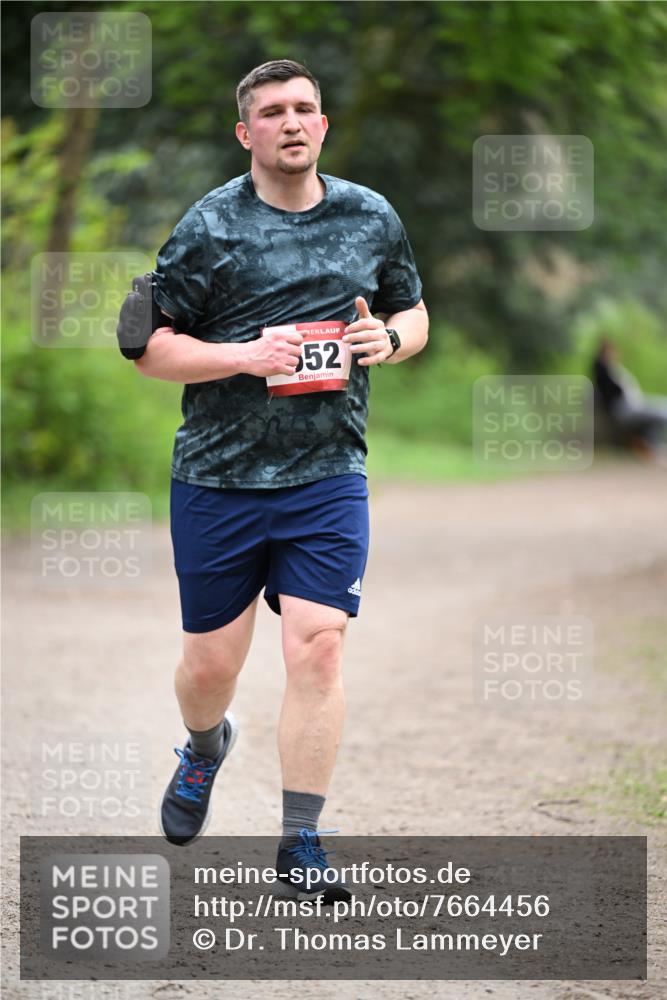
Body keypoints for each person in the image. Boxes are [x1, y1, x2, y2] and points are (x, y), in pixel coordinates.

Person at [134, 59, 428, 899]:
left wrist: (392, 342)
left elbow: (412, 309)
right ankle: (201, 749)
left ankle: (302, 840)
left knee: (319, 649)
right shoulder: (209, 227)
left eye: (305, 109)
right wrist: (245, 356)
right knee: (208, 670)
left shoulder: (370, 215)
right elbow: (149, 349)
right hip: (218, 479)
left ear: (323, 126)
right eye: (272, 112)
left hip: (325, 475)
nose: (291, 122)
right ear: (247, 133)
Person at [592, 339, 667, 459]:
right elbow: (615, 392)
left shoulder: (613, 369)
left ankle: (649, 445)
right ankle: (652, 448)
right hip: (624, 409)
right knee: (662, 412)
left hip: (632, 405)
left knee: (661, 408)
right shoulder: (602, 370)